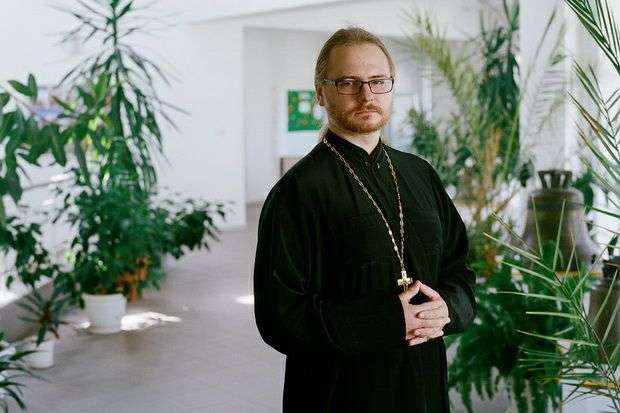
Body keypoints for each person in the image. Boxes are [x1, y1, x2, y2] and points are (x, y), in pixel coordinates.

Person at [253, 26, 476, 412]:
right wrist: (388, 321)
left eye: (378, 81)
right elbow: (279, 316)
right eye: (348, 83)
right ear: (321, 92)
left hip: (423, 384)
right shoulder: (298, 191)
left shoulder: (420, 174)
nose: (367, 95)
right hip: (341, 392)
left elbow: (459, 269)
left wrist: (448, 309)